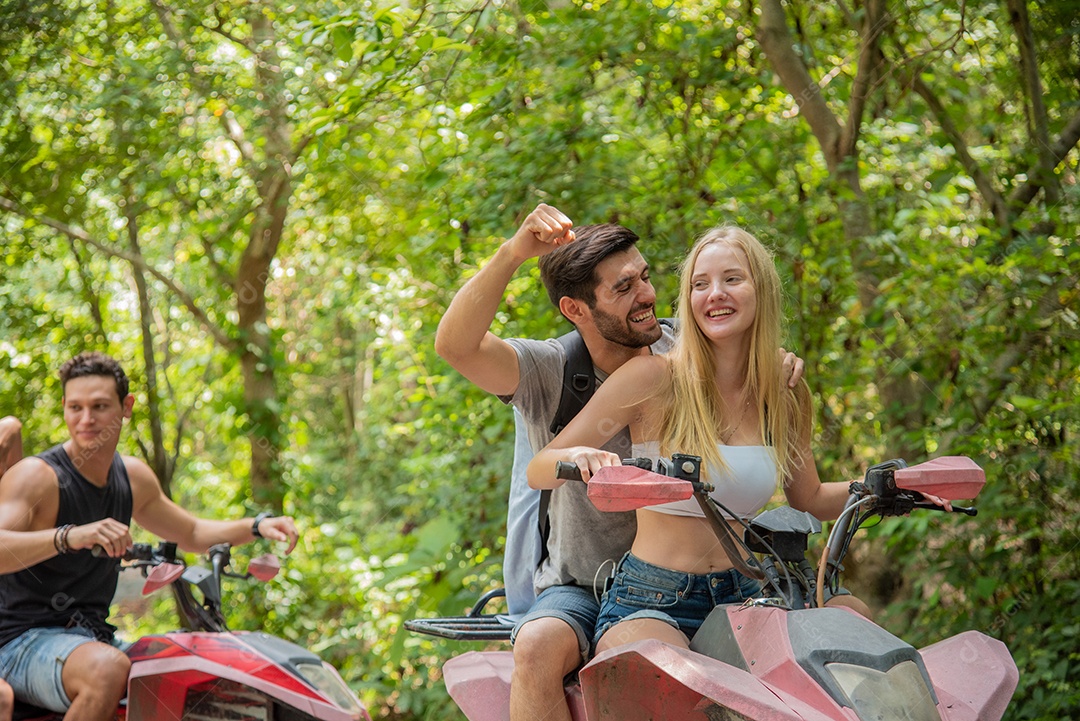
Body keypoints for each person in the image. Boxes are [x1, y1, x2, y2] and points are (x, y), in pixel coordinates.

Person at [435, 206, 803, 721]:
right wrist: (513, 253)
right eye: (624, 288)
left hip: (705, 572)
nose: (647, 295)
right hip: (585, 582)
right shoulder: (547, 369)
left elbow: (744, 360)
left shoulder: (681, 348)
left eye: (646, 277)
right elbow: (454, 346)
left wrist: (777, 363)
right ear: (576, 309)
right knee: (539, 647)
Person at [527, 225, 874, 654]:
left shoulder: (784, 391)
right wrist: (578, 454)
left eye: (732, 279)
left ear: (761, 289)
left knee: (854, 621)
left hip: (750, 589)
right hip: (654, 598)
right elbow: (538, 470)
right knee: (668, 672)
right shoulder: (651, 379)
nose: (715, 294)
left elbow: (811, 497)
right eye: (699, 284)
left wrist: (887, 487)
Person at [0, 352, 299, 720]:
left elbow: (191, 532)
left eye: (99, 406)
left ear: (126, 407)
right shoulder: (39, 476)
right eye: (75, 407)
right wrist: (69, 536)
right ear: (63, 407)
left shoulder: (131, 477)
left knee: (189, 665)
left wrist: (255, 526)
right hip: (19, 642)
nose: (86, 419)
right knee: (107, 668)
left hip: (92, 637)